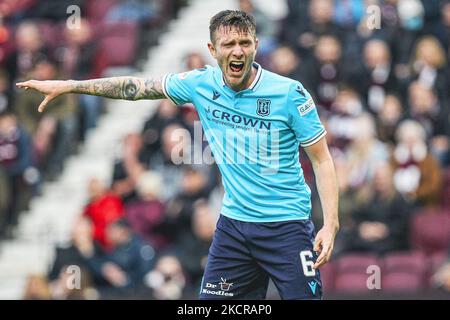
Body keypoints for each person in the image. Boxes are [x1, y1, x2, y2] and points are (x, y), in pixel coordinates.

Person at [16, 10, 339, 300]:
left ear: (255, 44)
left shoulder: (289, 93)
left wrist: (330, 225)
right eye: (228, 45)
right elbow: (136, 87)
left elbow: (322, 160)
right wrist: (72, 85)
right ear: (213, 51)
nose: (237, 51)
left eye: (244, 43)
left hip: (286, 226)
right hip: (234, 228)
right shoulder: (200, 83)